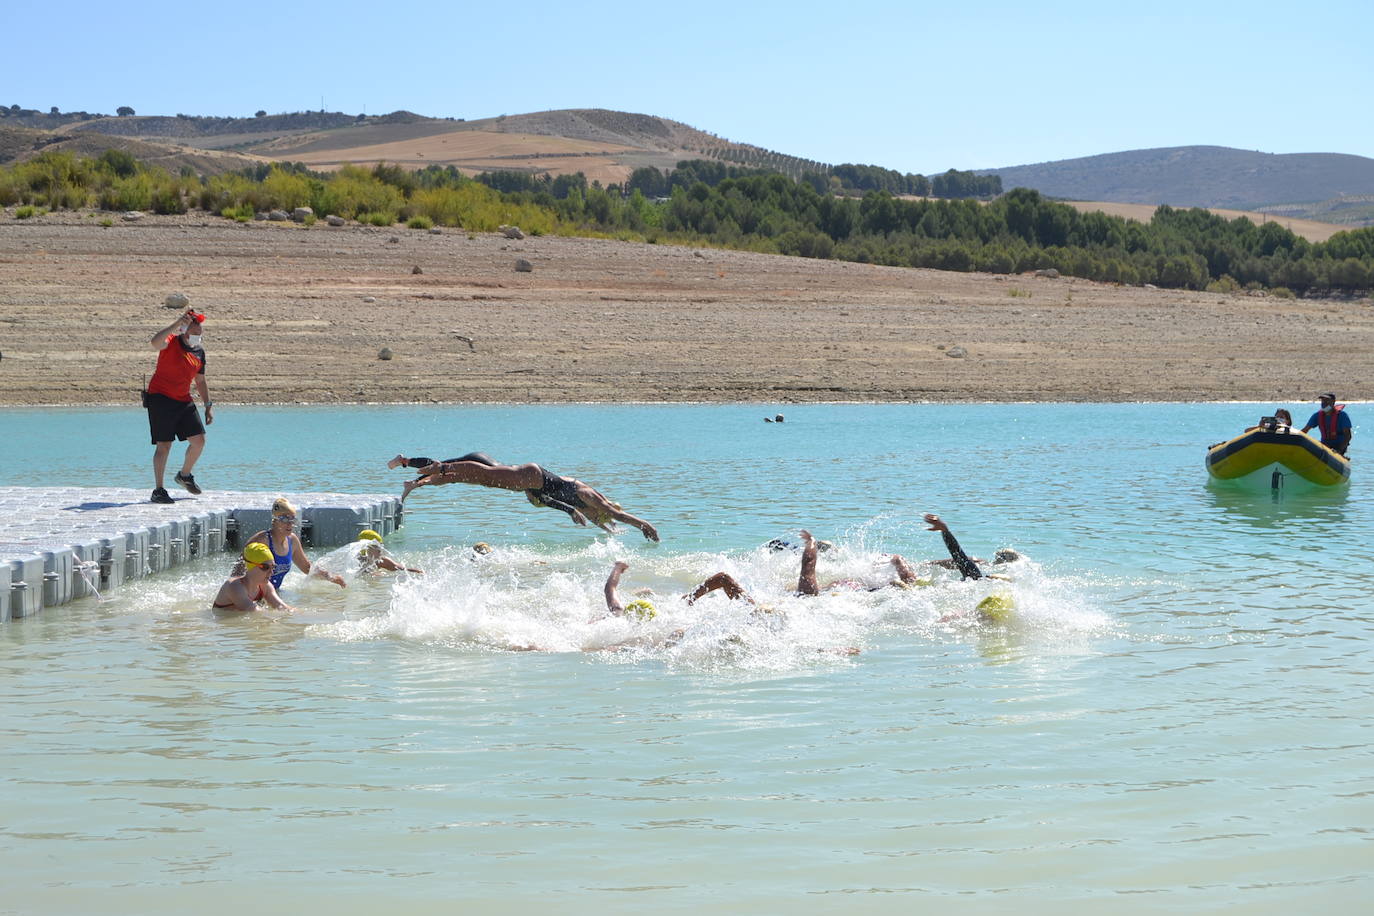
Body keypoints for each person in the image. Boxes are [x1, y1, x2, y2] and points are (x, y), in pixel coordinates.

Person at [395, 453, 659, 541]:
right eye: (602, 514)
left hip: (532, 485)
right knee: (485, 475)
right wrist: (645, 526)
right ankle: (440, 467)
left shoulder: (592, 510)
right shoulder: (592, 498)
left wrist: (611, 532)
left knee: (477, 480)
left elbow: (607, 523)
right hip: (534, 477)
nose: (599, 517)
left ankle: (424, 477)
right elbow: (617, 516)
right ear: (605, 505)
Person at [686, 530, 924, 604]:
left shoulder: (805, 598)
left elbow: (723, 577)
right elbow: (807, 567)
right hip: (827, 594)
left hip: (818, 595)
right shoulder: (808, 597)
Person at [145, 309, 213, 503]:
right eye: (194, 334)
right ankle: (158, 490)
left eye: (200, 334)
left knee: (199, 440)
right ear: (184, 331)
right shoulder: (171, 342)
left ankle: (184, 475)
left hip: (183, 399)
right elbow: (154, 342)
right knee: (164, 445)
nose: (197, 338)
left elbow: (200, 380)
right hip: (160, 398)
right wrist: (175, 324)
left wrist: (208, 405)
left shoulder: (199, 352)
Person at [233, 497, 347, 590]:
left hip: (271, 594)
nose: (289, 524)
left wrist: (331, 577)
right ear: (275, 520)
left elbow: (307, 568)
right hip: (252, 594)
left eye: (292, 519)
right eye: (284, 519)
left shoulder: (292, 541)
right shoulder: (262, 540)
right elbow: (237, 572)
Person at [923, 514, 1020, 581]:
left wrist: (945, 530)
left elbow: (959, 556)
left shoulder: (977, 575)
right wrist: (945, 531)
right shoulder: (977, 577)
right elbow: (959, 556)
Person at [213, 542, 295, 612]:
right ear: (250, 566)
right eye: (265, 567)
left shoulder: (265, 586)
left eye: (273, 567)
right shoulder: (235, 587)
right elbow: (255, 613)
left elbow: (282, 607)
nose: (271, 572)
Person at [356, 529, 423, 575]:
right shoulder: (354, 562)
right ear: (366, 548)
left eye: (381, 546)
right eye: (377, 547)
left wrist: (420, 572)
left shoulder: (381, 562)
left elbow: (404, 570)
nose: (380, 550)